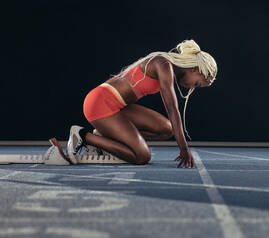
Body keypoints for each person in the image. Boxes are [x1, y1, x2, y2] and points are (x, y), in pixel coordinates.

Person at [67, 39, 217, 168]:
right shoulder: (163, 64)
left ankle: (104, 136)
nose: (192, 87)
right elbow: (172, 110)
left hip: (118, 106)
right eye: (196, 84)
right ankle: (83, 136)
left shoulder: (169, 68)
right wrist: (184, 149)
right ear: (194, 69)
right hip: (99, 103)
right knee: (142, 156)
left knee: (166, 129)